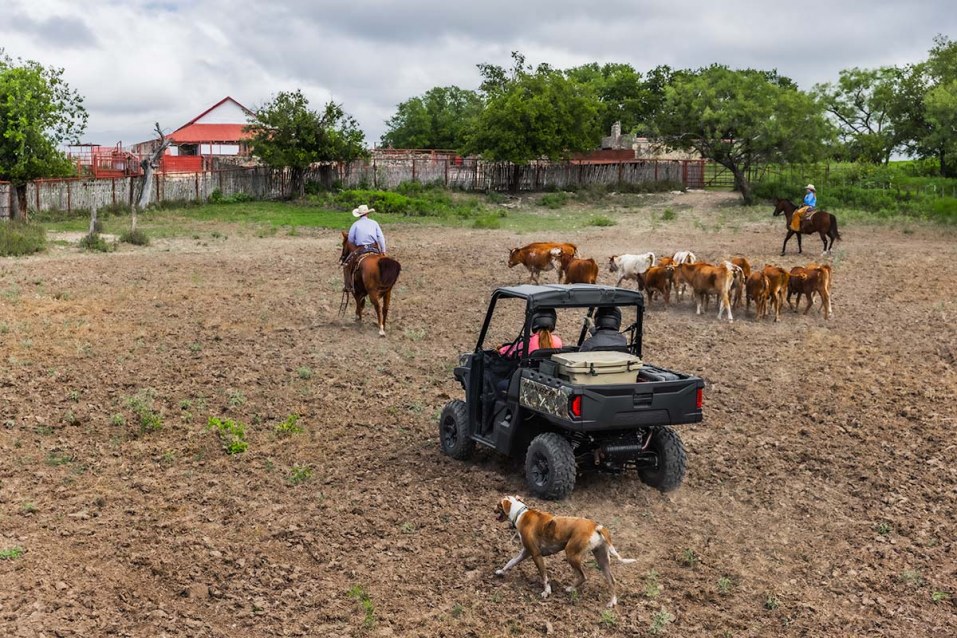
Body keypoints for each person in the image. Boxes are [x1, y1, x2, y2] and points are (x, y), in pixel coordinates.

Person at [343, 204, 386, 292]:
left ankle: (348, 286)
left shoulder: (355, 224)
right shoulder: (374, 223)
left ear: (359, 215)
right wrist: (383, 251)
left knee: (347, 264)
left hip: (361, 249)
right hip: (374, 248)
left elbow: (350, 239)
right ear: (367, 213)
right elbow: (381, 237)